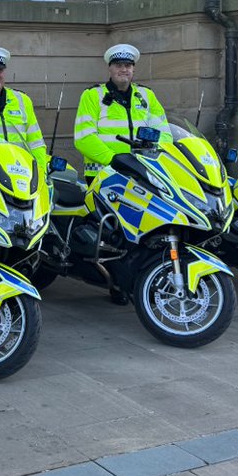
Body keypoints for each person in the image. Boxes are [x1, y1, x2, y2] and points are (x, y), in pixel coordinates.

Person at [73, 44, 172, 303]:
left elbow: (165, 134)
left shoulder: (146, 96)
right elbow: (84, 138)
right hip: (104, 174)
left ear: (133, 69)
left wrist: (155, 158)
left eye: (128, 65)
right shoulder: (92, 96)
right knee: (115, 234)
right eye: (118, 65)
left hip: (142, 174)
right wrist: (114, 160)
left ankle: (140, 277)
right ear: (110, 68)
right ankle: (117, 283)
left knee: (144, 227)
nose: (123, 69)